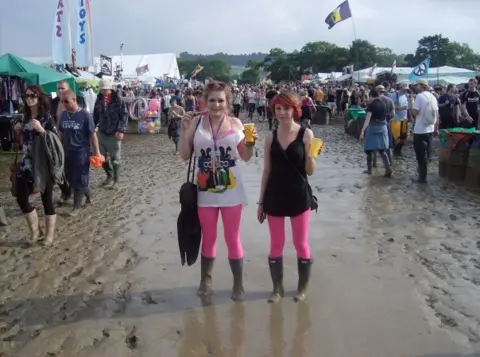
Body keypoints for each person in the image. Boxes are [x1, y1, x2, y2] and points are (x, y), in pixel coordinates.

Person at [179, 81, 256, 302]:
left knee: (232, 238)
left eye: (220, 100)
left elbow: (246, 157)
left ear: (227, 102)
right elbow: (185, 155)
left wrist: (250, 144)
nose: (216, 104)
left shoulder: (235, 123)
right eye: (211, 100)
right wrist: (185, 132)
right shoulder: (195, 123)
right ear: (204, 101)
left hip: (232, 190)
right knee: (209, 238)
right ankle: (205, 280)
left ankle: (238, 284)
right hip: (205, 191)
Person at [257, 91, 316, 303]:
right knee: (276, 243)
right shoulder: (270, 137)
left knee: (301, 243)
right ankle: (277, 289)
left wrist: (311, 154)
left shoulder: (306, 134)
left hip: (299, 195)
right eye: (278, 108)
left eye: (286, 108)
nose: (282, 113)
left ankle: (302, 288)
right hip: (274, 195)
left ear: (295, 109)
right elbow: (266, 171)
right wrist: (261, 202)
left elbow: (310, 171)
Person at [13, 85, 58, 244]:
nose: (29, 98)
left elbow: (55, 141)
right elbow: (23, 144)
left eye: (33, 95)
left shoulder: (46, 118)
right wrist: (18, 131)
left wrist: (42, 130)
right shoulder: (24, 117)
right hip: (26, 164)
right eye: (26, 96)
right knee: (21, 197)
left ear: (39, 97)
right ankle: (35, 231)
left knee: (47, 200)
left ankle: (49, 236)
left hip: (43, 164)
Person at [58, 90, 101, 216]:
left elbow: (93, 135)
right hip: (67, 152)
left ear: (74, 100)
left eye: (66, 101)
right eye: (62, 101)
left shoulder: (85, 115)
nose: (64, 104)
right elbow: (61, 133)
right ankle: (88, 194)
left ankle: (77, 206)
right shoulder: (64, 115)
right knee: (70, 178)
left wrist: (97, 152)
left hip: (82, 152)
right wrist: (58, 148)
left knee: (80, 178)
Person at [93, 79, 127, 188]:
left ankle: (116, 180)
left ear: (110, 88)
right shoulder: (98, 99)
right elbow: (95, 115)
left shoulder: (118, 100)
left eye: (105, 89)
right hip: (102, 132)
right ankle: (109, 175)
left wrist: (121, 130)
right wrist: (92, 127)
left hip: (114, 132)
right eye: (102, 89)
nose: (103, 91)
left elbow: (124, 116)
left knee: (115, 159)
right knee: (101, 157)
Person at [359, 87, 393, 177]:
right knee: (382, 150)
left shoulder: (371, 105)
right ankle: (388, 167)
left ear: (371, 96)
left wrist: (362, 131)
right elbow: (390, 115)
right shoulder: (384, 103)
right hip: (383, 127)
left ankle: (369, 170)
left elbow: (367, 119)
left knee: (368, 149)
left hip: (373, 128)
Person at [410, 79, 439, 183]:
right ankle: (422, 175)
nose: (414, 87)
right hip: (430, 129)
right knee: (427, 152)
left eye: (416, 85)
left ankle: (422, 178)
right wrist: (436, 128)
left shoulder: (419, 96)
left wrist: (412, 104)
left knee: (420, 155)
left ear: (421, 86)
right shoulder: (433, 97)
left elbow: (415, 113)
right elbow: (437, 114)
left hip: (420, 130)